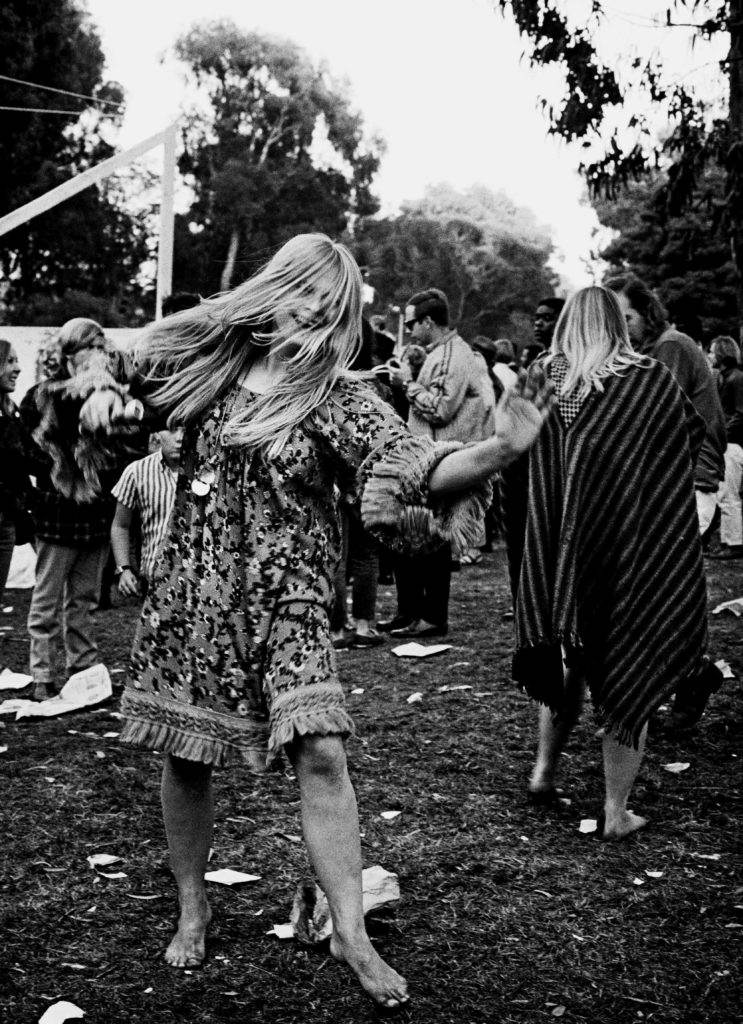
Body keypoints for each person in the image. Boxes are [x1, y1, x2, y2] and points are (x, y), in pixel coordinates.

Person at [78, 234, 554, 1009]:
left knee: (323, 753)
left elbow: (416, 464)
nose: (317, 319)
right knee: (188, 754)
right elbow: (137, 385)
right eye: (308, 298)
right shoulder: (216, 369)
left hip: (291, 603)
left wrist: (501, 447)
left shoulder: (334, 395)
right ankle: (193, 899)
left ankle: (350, 931)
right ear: (279, 290)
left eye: (332, 310)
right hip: (196, 595)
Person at [501, 286, 708, 840]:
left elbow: (502, 445)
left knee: (572, 656)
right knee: (628, 655)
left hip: (552, 541)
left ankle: (544, 773)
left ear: (567, 321)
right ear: (619, 323)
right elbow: (689, 440)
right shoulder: (647, 380)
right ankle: (616, 811)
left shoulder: (539, 375)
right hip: (627, 542)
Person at [387, 288, 496, 634]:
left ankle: (432, 617)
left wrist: (407, 386)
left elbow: (442, 408)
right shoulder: (439, 353)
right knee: (411, 534)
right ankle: (409, 613)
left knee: (432, 541)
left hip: (442, 460)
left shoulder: (453, 355)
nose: (409, 330)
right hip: (426, 460)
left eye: (412, 323)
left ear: (429, 322)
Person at [20, 318, 114, 701]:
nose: (105, 352)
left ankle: (83, 670)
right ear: (74, 352)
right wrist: (58, 478)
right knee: (46, 600)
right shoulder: (41, 396)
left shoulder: (109, 394)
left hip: (95, 510)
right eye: (97, 344)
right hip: (58, 510)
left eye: (105, 344)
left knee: (84, 599)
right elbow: (28, 452)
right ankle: (42, 675)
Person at [606, 274, 726, 535]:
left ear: (648, 312)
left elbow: (656, 422)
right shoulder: (653, 349)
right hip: (679, 481)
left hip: (690, 480)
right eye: (612, 322)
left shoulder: (670, 345)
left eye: (626, 319)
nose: (620, 330)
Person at [110, 428, 183, 599]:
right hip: (155, 581)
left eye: (184, 430)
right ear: (157, 433)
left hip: (199, 581)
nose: (179, 438)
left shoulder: (209, 469)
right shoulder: (137, 471)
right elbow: (120, 525)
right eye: (171, 430)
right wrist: (124, 569)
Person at [0, 340, 45, 603]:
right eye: (9, 361)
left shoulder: (10, 412)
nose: (18, 368)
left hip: (7, 519)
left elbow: (32, 460)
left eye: (17, 360)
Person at [708, 335, 743, 559]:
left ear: (721, 353)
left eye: (712, 351)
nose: (710, 355)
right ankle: (727, 540)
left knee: (729, 495)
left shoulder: (736, 379)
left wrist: (721, 434)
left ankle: (735, 543)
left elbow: (741, 413)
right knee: (725, 495)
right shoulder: (726, 377)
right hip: (728, 443)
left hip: (733, 445)